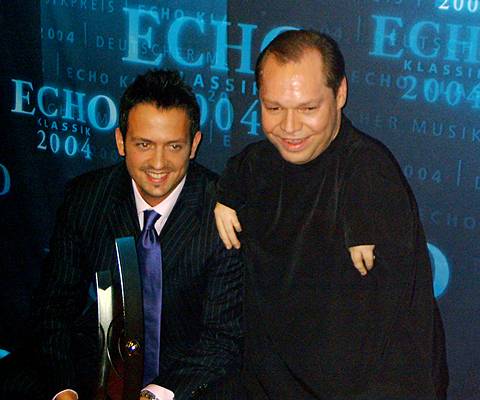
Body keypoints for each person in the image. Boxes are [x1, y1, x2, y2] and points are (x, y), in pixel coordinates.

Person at [214, 30, 448, 399]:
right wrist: (225, 196)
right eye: (273, 108)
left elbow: (400, 343)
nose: (289, 127)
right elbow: (244, 165)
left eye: (308, 109)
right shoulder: (258, 164)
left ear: (340, 94)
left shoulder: (370, 176)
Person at [1, 69, 243, 400]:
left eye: (174, 146)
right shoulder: (86, 198)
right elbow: (53, 309)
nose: (158, 162)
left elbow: (222, 339)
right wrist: (65, 390)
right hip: (95, 367)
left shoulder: (222, 213)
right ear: (120, 141)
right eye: (144, 144)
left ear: (194, 145)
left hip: (182, 377)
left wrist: (154, 395)